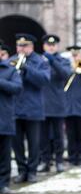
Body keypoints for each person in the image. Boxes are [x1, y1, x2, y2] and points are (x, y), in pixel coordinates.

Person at [9, 34, 51, 183]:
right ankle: (21, 170)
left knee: (34, 143)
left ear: (31, 47)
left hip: (33, 109)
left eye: (24, 46)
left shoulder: (40, 61)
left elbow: (44, 80)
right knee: (17, 144)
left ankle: (32, 171)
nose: (21, 48)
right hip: (15, 109)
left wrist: (27, 69)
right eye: (19, 46)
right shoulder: (11, 61)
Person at [38, 34, 71, 173]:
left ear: (57, 46)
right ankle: (45, 161)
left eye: (53, 45)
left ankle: (59, 161)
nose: (51, 47)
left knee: (58, 136)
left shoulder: (63, 61)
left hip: (57, 104)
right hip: (42, 104)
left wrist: (52, 61)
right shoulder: (39, 61)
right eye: (48, 45)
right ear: (44, 46)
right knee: (43, 136)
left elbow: (65, 74)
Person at [0, 53, 23, 194]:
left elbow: (17, 88)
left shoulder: (10, 70)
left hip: (4, 118)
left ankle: (3, 184)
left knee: (4, 154)